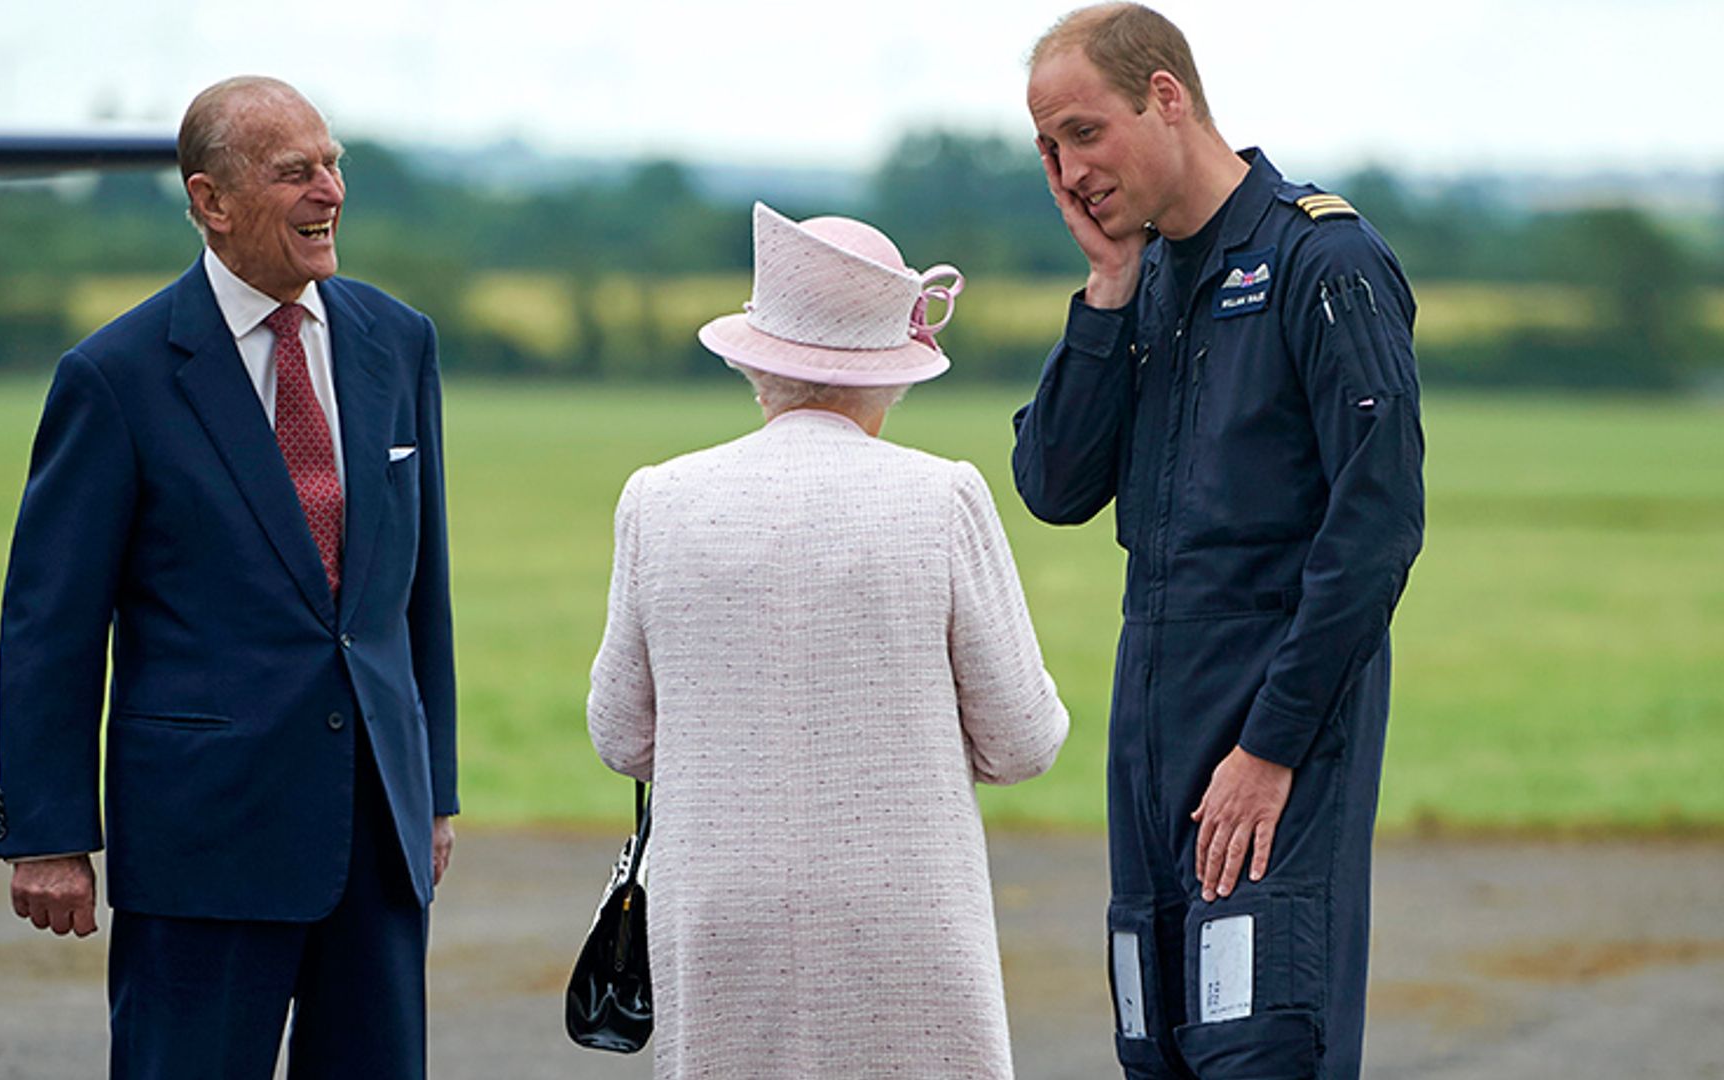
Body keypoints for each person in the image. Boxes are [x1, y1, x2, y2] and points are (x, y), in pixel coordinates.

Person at [0, 76, 457, 1079]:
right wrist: (49, 835)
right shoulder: (114, 377)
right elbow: (51, 625)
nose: (330, 191)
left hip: (376, 830)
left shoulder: (397, 342)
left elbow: (422, 596)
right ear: (211, 201)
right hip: (204, 841)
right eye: (297, 173)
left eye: (333, 165)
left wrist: (435, 789)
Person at [1011, 6, 1424, 1078]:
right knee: (1159, 1051)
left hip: (1272, 728)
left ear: (1166, 96)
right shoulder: (1139, 281)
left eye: (1084, 133)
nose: (1068, 172)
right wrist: (1104, 291)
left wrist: (1273, 747)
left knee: (1262, 1048)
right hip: (1148, 723)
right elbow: (1054, 487)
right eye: (1048, 148)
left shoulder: (1320, 260)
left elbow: (1375, 528)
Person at [588, 202, 1071, 1079]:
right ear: (893, 372)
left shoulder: (658, 498)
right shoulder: (943, 497)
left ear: (753, 364)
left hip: (717, 912)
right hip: (903, 912)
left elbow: (621, 735)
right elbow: (1024, 741)